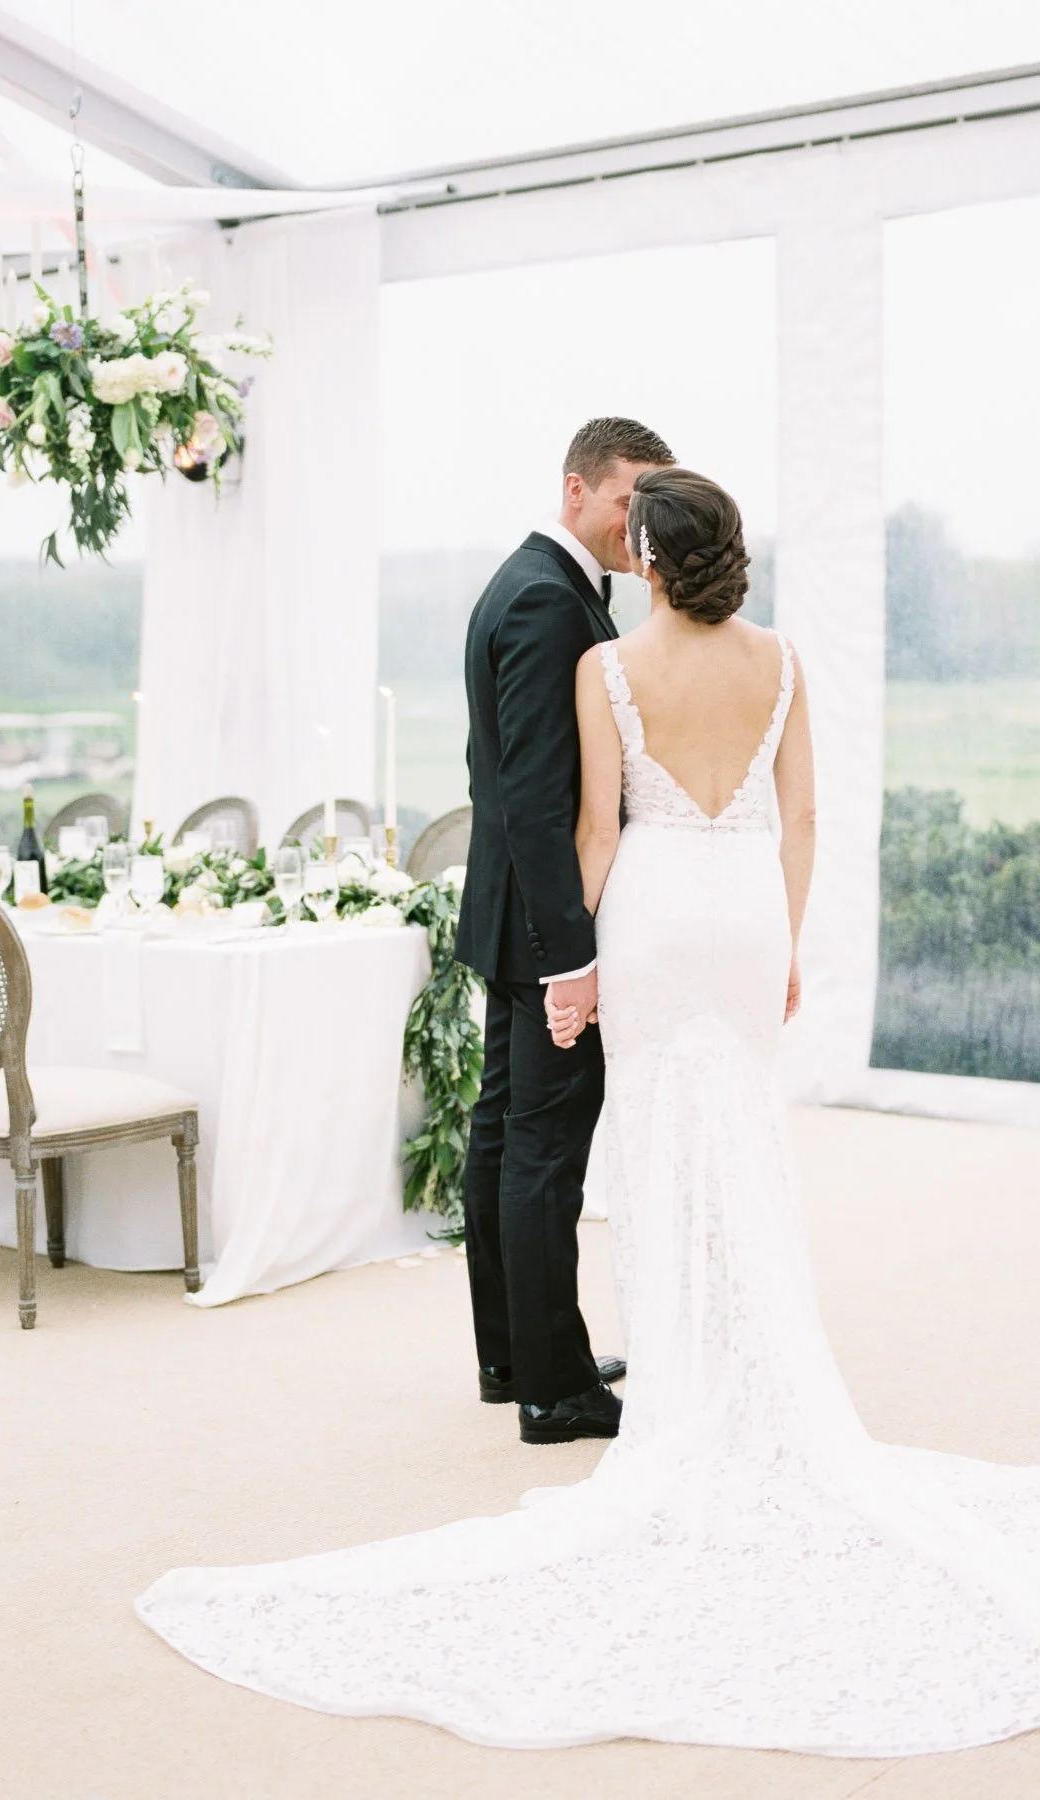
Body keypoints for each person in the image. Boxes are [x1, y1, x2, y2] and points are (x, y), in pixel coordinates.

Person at [137, 469, 1040, 1756]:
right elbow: (804, 816)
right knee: (743, 1139)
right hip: (742, 918)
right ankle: (741, 1373)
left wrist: (582, 970)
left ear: (649, 563)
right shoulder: (782, 659)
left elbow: (596, 834)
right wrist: (782, 941)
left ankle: (680, 1395)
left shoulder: (611, 665)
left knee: (658, 1148)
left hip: (658, 917)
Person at [453, 416, 674, 1443]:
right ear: (577, 490)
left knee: (504, 1140)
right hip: (545, 929)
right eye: (631, 498)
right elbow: (540, 802)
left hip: (508, 915)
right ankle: (553, 1389)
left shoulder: (536, 584)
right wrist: (571, 955)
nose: (643, 520)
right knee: (541, 1153)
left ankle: (521, 1353)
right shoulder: (548, 602)